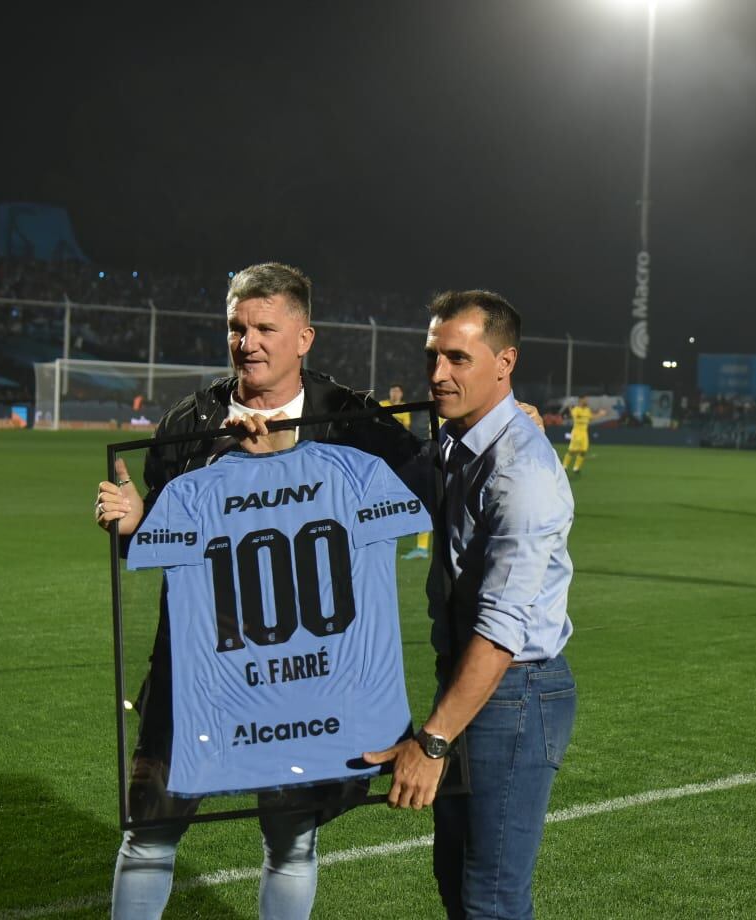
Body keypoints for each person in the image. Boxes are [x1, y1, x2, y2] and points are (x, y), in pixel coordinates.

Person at [93, 263, 421, 920]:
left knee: (291, 841)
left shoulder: (354, 422)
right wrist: (137, 524)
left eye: (266, 327)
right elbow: (171, 539)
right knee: (149, 834)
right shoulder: (190, 420)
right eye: (237, 328)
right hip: (196, 673)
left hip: (304, 674)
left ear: (305, 337)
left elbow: (425, 498)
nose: (249, 343)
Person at [364, 290, 577, 920]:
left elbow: (501, 629)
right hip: (471, 683)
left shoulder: (520, 472)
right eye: (434, 356)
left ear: (504, 362)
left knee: (490, 898)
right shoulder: (455, 443)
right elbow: (370, 499)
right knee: (458, 881)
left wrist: (432, 743)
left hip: (512, 693)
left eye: (458, 358)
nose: (437, 374)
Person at [382, 383, 432, 559]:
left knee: (426, 498)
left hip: (429, 459)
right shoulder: (382, 404)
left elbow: (404, 427)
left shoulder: (444, 414)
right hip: (387, 454)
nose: (431, 395)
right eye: (430, 392)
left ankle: (422, 545)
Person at [563, 396, 592, 476]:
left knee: (583, 451)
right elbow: (574, 415)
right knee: (572, 451)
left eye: (587, 399)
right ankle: (564, 467)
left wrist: (600, 414)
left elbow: (590, 418)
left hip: (584, 433)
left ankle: (576, 468)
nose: (587, 401)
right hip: (576, 432)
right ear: (581, 401)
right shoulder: (576, 409)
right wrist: (570, 408)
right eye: (585, 400)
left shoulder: (587, 410)